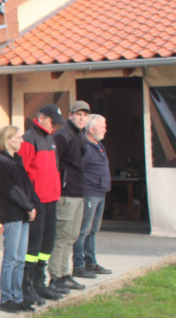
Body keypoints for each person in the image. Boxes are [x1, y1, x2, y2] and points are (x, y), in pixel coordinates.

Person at [19, 104, 66, 304]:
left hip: (51, 199)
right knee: (33, 245)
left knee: (47, 243)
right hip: (37, 201)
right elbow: (22, 173)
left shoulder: (50, 139)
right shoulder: (29, 139)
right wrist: (29, 202)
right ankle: (26, 284)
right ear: (42, 117)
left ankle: (40, 282)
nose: (55, 125)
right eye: (52, 120)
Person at [0, 125, 40, 312]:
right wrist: (28, 206)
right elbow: (13, 191)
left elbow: (26, 186)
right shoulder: (2, 163)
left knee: (20, 259)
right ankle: (6, 299)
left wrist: (34, 205)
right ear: (8, 139)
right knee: (11, 258)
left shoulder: (16, 161)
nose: (21, 140)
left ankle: (18, 297)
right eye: (18, 137)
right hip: (12, 215)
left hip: (23, 215)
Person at [49, 100, 91, 292]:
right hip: (66, 195)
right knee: (62, 236)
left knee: (72, 236)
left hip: (78, 193)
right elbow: (54, 164)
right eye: (78, 114)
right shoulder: (62, 136)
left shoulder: (80, 136)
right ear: (70, 115)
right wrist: (61, 185)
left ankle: (66, 274)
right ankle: (55, 277)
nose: (82, 118)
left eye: (85, 115)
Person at [73, 114, 112, 278]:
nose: (105, 129)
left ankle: (91, 262)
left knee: (93, 230)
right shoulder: (85, 147)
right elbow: (78, 170)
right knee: (84, 230)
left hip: (100, 192)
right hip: (90, 193)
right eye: (102, 126)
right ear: (91, 129)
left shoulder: (99, 145)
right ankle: (79, 265)